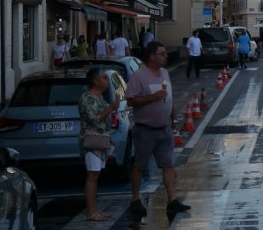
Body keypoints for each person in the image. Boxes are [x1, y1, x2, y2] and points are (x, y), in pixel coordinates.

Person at [125, 41, 190, 220]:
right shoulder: (139, 76)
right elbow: (130, 101)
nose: (165, 56)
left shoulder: (164, 73)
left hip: (164, 128)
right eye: (162, 53)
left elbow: (169, 98)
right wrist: (151, 98)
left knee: (168, 165)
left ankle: (172, 200)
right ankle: (135, 199)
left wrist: (173, 118)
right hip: (145, 130)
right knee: (140, 165)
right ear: (152, 57)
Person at [78, 68, 121, 221]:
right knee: (92, 175)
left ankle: (94, 210)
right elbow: (94, 119)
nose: (107, 80)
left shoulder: (99, 97)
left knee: (95, 175)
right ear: (96, 81)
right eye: (104, 77)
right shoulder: (87, 98)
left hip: (100, 140)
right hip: (92, 142)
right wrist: (110, 108)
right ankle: (91, 212)